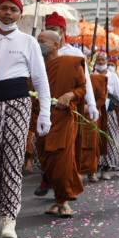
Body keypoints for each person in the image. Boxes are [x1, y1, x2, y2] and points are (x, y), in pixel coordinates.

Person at [0, 0, 51, 238]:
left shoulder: (29, 42)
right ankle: (9, 202)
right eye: (4, 8)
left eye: (14, 9)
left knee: (12, 158)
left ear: (20, 15)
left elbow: (40, 78)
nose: (8, 13)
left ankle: (8, 219)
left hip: (18, 104)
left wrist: (45, 114)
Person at [32, 31, 86, 218]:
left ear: (55, 45)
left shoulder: (71, 63)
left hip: (63, 119)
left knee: (62, 159)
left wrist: (69, 95)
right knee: (46, 160)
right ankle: (57, 198)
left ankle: (63, 201)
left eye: (42, 41)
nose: (38, 44)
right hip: (41, 119)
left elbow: (82, 88)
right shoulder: (34, 65)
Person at [44, 13, 99, 186]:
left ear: (62, 31)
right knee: (45, 147)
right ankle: (49, 180)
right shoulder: (41, 53)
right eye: (47, 29)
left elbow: (86, 81)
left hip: (69, 109)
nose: (49, 32)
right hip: (46, 107)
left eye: (53, 29)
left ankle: (67, 185)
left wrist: (91, 104)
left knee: (67, 148)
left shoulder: (75, 53)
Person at [94, 52, 119, 179]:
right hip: (95, 112)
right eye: (98, 60)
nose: (101, 62)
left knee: (111, 140)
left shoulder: (113, 76)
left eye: (103, 59)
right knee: (94, 141)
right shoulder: (90, 75)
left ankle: (105, 169)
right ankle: (92, 169)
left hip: (110, 112)